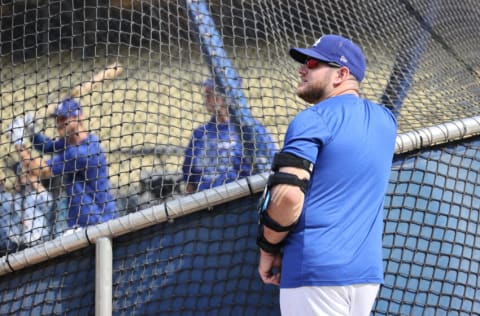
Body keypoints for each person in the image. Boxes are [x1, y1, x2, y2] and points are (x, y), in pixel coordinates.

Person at [256, 34, 397, 315]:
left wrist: (267, 249)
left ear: (341, 74)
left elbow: (287, 197)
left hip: (315, 270)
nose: (302, 69)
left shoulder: (313, 119)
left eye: (312, 62)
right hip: (365, 276)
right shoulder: (386, 121)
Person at [7, 98, 117, 230]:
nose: (59, 123)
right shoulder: (72, 142)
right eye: (57, 118)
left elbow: (38, 170)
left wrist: (18, 142)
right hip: (84, 224)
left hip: (97, 224)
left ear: (79, 117)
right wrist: (32, 133)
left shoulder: (82, 152)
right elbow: (48, 146)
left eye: (64, 118)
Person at [182, 78, 277, 193]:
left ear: (226, 96)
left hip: (240, 200)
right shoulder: (200, 134)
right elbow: (190, 179)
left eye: (210, 93)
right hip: (206, 202)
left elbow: (268, 165)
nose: (206, 98)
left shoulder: (250, 130)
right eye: (206, 93)